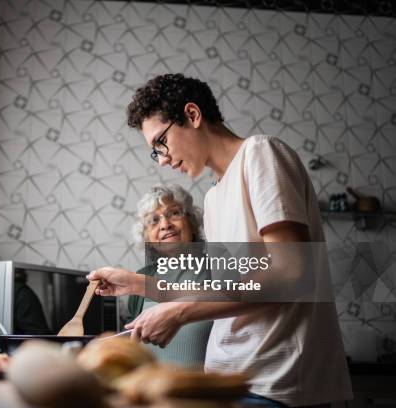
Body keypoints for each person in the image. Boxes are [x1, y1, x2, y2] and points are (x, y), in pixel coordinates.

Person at [88, 74, 352, 407]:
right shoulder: (214, 197)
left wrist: (181, 313)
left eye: (161, 143)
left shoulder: (260, 154)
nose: (163, 159)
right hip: (230, 380)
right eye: (155, 152)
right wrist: (138, 284)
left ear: (193, 115)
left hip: (276, 383)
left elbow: (288, 273)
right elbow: (236, 287)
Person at [126, 184, 212, 367]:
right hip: (153, 390)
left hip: (209, 390)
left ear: (192, 221)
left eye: (174, 213)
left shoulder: (218, 267)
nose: (165, 225)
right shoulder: (140, 279)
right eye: (154, 220)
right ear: (146, 237)